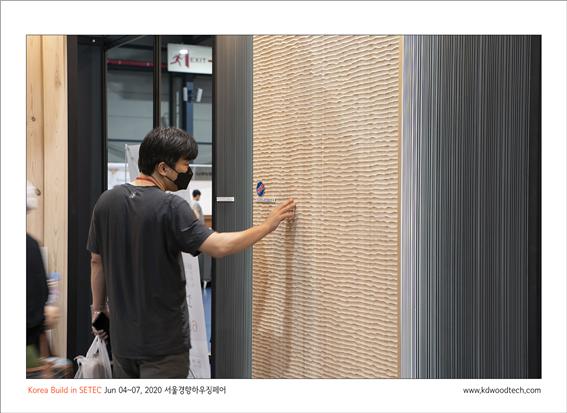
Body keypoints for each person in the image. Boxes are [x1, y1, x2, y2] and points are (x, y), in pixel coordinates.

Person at [88, 127, 296, 379]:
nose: (188, 171)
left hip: (123, 345)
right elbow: (218, 246)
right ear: (163, 168)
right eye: (185, 164)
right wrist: (266, 226)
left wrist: (98, 309)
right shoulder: (170, 206)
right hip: (164, 348)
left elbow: (96, 261)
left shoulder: (106, 201)